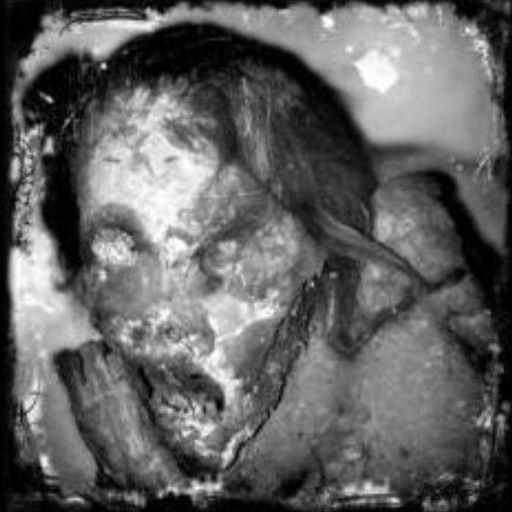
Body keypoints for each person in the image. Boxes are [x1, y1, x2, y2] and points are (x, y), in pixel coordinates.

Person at [21, 23, 498, 504]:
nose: (162, 316)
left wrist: (143, 472)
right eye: (120, 250)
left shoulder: (402, 304)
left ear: (317, 228)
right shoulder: (103, 363)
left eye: (220, 249)